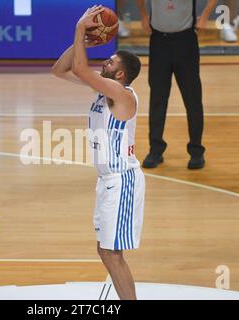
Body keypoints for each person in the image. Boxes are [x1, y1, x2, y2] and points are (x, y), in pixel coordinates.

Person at [52, 5, 145, 300]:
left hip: (122, 180)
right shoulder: (104, 90)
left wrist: (81, 29)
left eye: (109, 61)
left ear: (120, 74)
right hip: (106, 181)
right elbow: (60, 70)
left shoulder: (121, 94)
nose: (104, 62)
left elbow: (79, 68)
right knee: (106, 251)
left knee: (110, 252)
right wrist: (83, 43)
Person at [137, 0, 218, 169]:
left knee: (192, 99)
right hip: (159, 41)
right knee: (158, 98)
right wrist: (144, 15)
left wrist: (205, 16)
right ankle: (155, 150)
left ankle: (196, 151)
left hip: (185, 41)